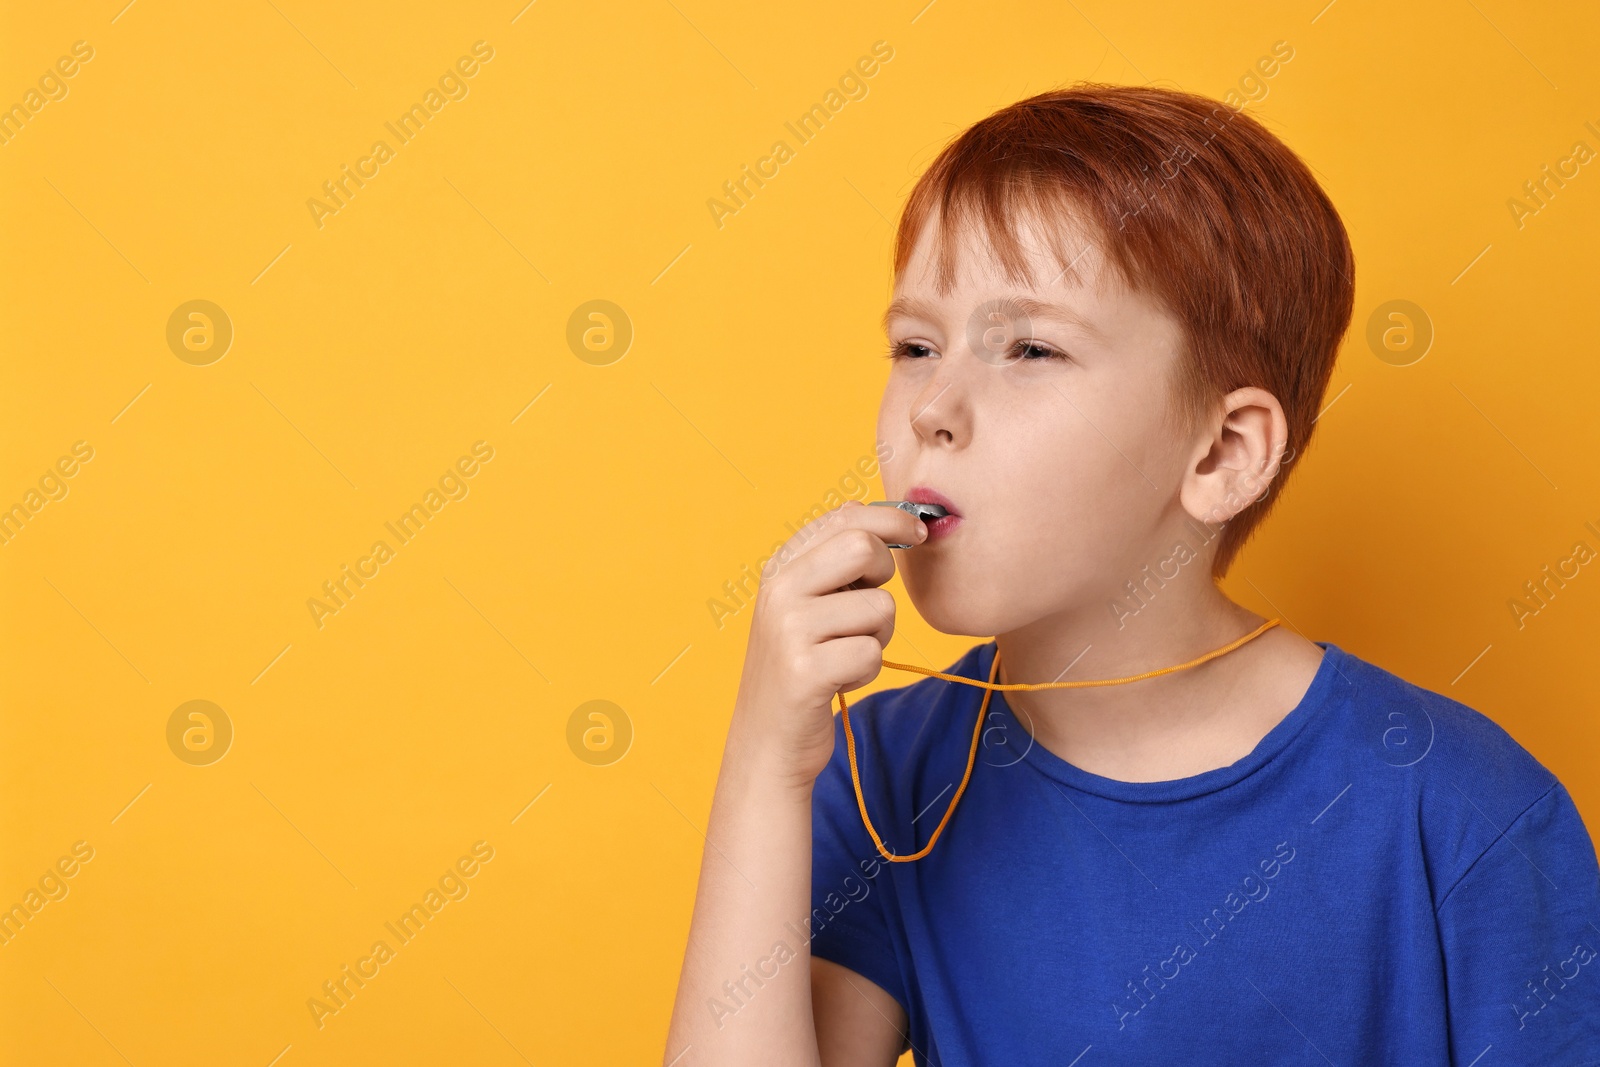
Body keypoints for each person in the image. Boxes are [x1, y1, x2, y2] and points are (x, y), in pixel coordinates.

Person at [664, 82, 1600, 1065]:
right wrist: (764, 762)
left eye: (1029, 346)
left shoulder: (1458, 807)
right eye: (913, 346)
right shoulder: (878, 777)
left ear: (1221, 454)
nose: (931, 406)